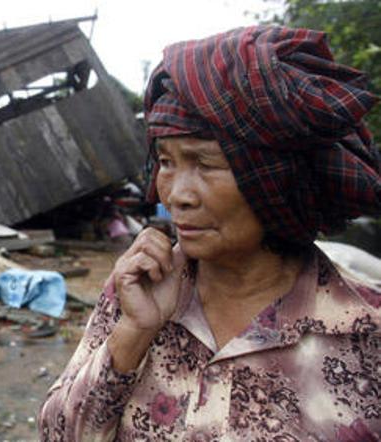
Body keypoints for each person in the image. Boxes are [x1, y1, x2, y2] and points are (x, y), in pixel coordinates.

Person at [38, 25, 381, 441]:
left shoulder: (363, 333)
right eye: (166, 162)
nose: (176, 195)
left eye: (205, 164)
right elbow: (59, 435)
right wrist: (133, 333)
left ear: (276, 181)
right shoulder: (137, 290)